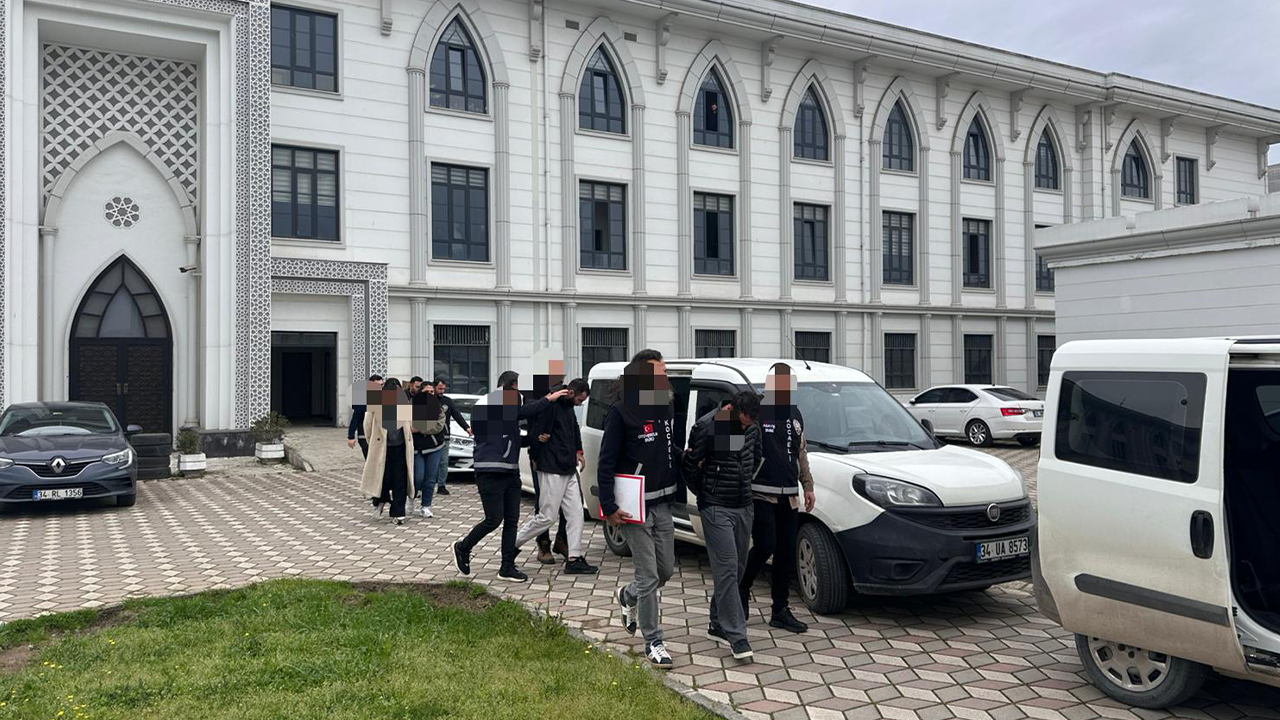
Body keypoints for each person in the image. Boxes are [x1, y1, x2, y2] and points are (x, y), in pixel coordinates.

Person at [599, 350, 685, 668]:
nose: (665, 377)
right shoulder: (621, 412)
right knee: (648, 575)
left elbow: (667, 448)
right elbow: (606, 462)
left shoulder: (665, 405)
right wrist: (608, 506)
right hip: (634, 508)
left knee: (665, 571)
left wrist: (687, 458)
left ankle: (628, 595)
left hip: (663, 503)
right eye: (660, 373)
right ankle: (654, 641)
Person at [451, 371, 570, 582]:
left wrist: (534, 439)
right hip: (490, 471)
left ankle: (507, 566)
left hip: (510, 471)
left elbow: (510, 437)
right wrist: (548, 399)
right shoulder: (494, 401)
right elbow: (522, 413)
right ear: (511, 387)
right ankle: (463, 547)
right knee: (493, 519)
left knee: (512, 521)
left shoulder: (499, 408)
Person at [684, 390, 762, 660]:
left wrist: (745, 483)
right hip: (716, 506)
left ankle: (716, 623)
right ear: (731, 409)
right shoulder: (707, 426)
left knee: (738, 568)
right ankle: (737, 636)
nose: (746, 427)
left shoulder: (753, 426)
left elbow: (756, 458)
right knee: (727, 568)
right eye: (743, 422)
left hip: (744, 504)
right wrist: (706, 493)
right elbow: (690, 466)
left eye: (750, 424)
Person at [740, 363, 816, 634]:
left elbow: (801, 453)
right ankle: (742, 587)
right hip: (761, 492)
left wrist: (808, 486)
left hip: (789, 495)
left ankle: (780, 610)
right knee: (765, 545)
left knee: (785, 551)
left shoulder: (795, 414)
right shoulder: (758, 410)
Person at [515, 378, 596, 575]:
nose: (580, 404)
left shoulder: (568, 407)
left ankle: (574, 558)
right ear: (571, 393)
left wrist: (579, 451)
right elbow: (533, 428)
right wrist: (535, 456)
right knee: (547, 517)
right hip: (551, 467)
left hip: (568, 468)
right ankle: (511, 545)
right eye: (580, 400)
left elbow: (574, 428)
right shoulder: (549, 404)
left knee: (576, 513)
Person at [359, 378, 415, 525]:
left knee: (400, 480)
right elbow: (367, 426)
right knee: (383, 478)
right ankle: (380, 501)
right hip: (382, 448)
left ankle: (399, 513)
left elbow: (409, 424)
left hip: (401, 447)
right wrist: (373, 443)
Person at [411, 380, 448, 518]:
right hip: (416, 448)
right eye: (426, 391)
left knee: (431, 478)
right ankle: (411, 498)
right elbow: (408, 425)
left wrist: (420, 428)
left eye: (431, 391)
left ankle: (426, 506)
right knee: (418, 477)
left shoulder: (438, 408)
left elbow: (438, 426)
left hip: (434, 447)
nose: (429, 394)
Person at [433, 377, 473, 496]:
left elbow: (457, 415)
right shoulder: (428, 400)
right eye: (439, 388)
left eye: (443, 389)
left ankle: (441, 485)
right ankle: (426, 484)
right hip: (430, 436)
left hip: (444, 436)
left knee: (443, 462)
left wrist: (467, 428)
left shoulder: (448, 401)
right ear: (434, 387)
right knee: (431, 462)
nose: (442, 391)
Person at [347, 374, 383, 457]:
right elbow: (355, 419)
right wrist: (351, 437)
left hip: (379, 435)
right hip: (364, 435)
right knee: (370, 459)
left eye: (381, 385)